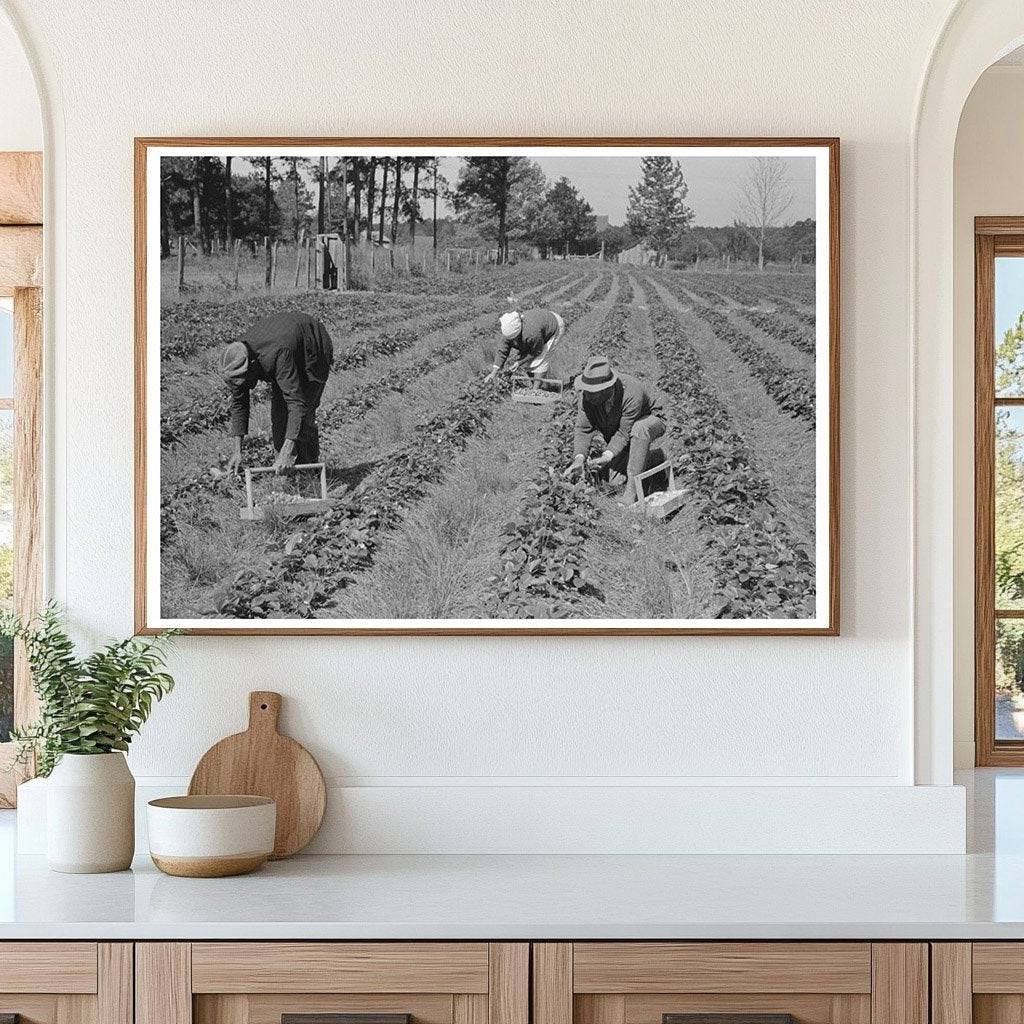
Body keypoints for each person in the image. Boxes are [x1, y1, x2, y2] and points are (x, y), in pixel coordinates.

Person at [220, 310, 334, 475]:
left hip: (313, 347)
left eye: (243, 381)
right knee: (280, 418)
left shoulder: (278, 354)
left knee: (304, 417)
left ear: (252, 365)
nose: (242, 385)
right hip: (288, 345)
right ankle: (286, 474)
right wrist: (237, 451)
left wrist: (287, 451)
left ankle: (310, 474)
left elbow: (296, 403)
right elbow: (239, 404)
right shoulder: (238, 357)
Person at [565, 355, 666, 505]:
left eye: (593, 392)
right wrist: (579, 459)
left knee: (640, 428)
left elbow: (624, 432)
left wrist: (607, 455)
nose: (588, 396)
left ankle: (631, 495)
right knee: (614, 481)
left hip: (649, 421)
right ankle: (651, 459)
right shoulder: (586, 397)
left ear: (608, 388)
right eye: (587, 390)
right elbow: (583, 429)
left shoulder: (632, 391)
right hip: (619, 432)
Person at [484, 307, 566, 383]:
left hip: (553, 326)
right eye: (511, 339)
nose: (513, 341)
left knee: (540, 361)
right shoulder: (508, 332)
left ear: (519, 332)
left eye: (515, 338)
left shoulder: (532, 333)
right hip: (539, 325)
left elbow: (537, 351)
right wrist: (493, 373)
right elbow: (502, 351)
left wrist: (519, 362)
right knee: (528, 363)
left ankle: (535, 391)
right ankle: (537, 387)